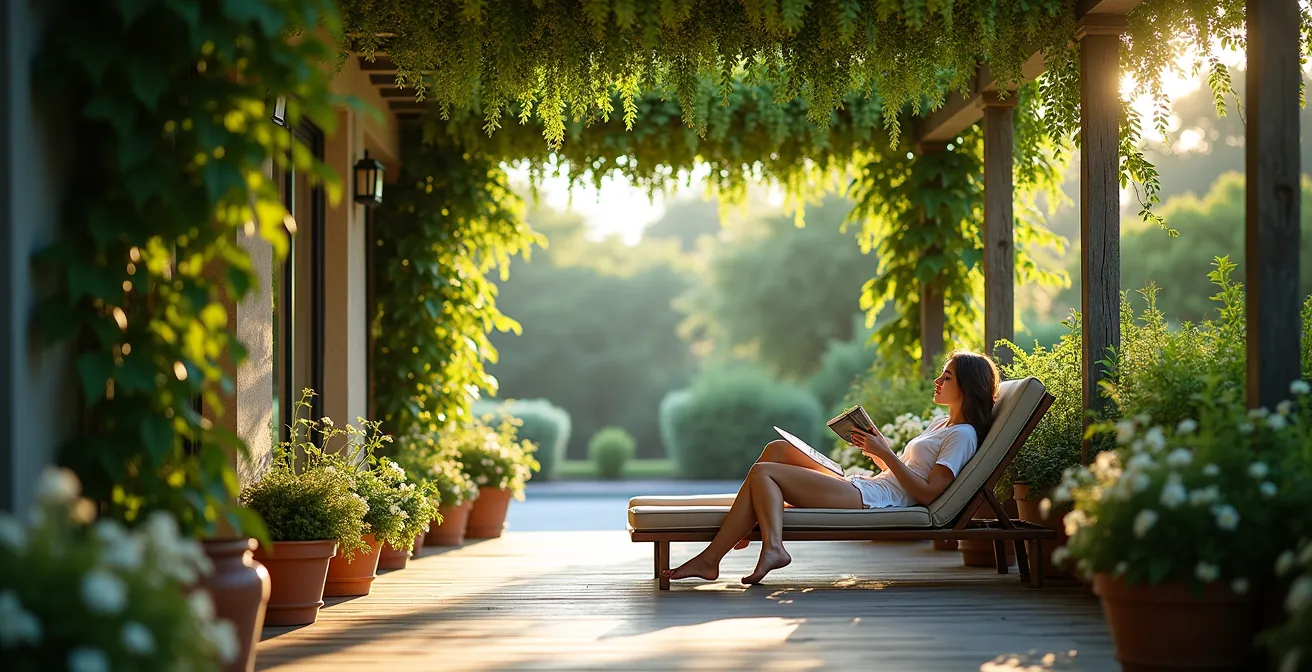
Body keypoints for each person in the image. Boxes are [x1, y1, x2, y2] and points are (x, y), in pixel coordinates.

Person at [664, 350, 1002, 585]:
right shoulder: (943, 424)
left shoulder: (963, 435)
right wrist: (878, 451)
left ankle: (766, 549)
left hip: (875, 499)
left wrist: (888, 454)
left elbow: (929, 494)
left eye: (947, 376)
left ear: (967, 388)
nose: (938, 381)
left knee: (763, 473)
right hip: (870, 486)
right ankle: (723, 550)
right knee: (777, 450)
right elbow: (908, 473)